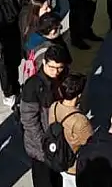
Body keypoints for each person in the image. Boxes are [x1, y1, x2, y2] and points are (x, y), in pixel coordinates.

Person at [20, 44, 70, 187]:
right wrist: (44, 143)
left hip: (57, 139)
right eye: (52, 67)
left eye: (59, 68)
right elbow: (29, 121)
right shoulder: (33, 85)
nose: (56, 72)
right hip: (40, 147)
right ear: (44, 63)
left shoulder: (63, 76)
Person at [48, 73, 93, 187]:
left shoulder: (54, 106)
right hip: (73, 166)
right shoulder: (80, 121)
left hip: (57, 156)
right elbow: (90, 145)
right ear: (79, 95)